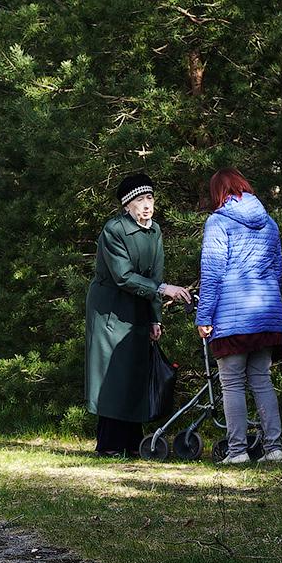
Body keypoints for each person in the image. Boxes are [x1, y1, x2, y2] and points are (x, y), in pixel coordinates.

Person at [84, 173, 192, 456]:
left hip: (139, 307)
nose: (146, 205)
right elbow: (123, 276)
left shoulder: (154, 230)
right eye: (139, 200)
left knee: (135, 373)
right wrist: (163, 289)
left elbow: (156, 275)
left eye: (149, 198)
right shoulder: (114, 230)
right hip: (110, 310)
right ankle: (108, 444)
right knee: (113, 374)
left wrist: (155, 318)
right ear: (126, 206)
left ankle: (132, 443)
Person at [195, 168, 282, 465]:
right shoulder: (270, 223)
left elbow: (212, 274)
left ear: (219, 193)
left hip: (233, 316)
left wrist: (204, 316)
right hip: (267, 313)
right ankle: (273, 449)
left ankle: (237, 451)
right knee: (261, 379)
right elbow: (277, 270)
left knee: (232, 383)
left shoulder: (218, 222)